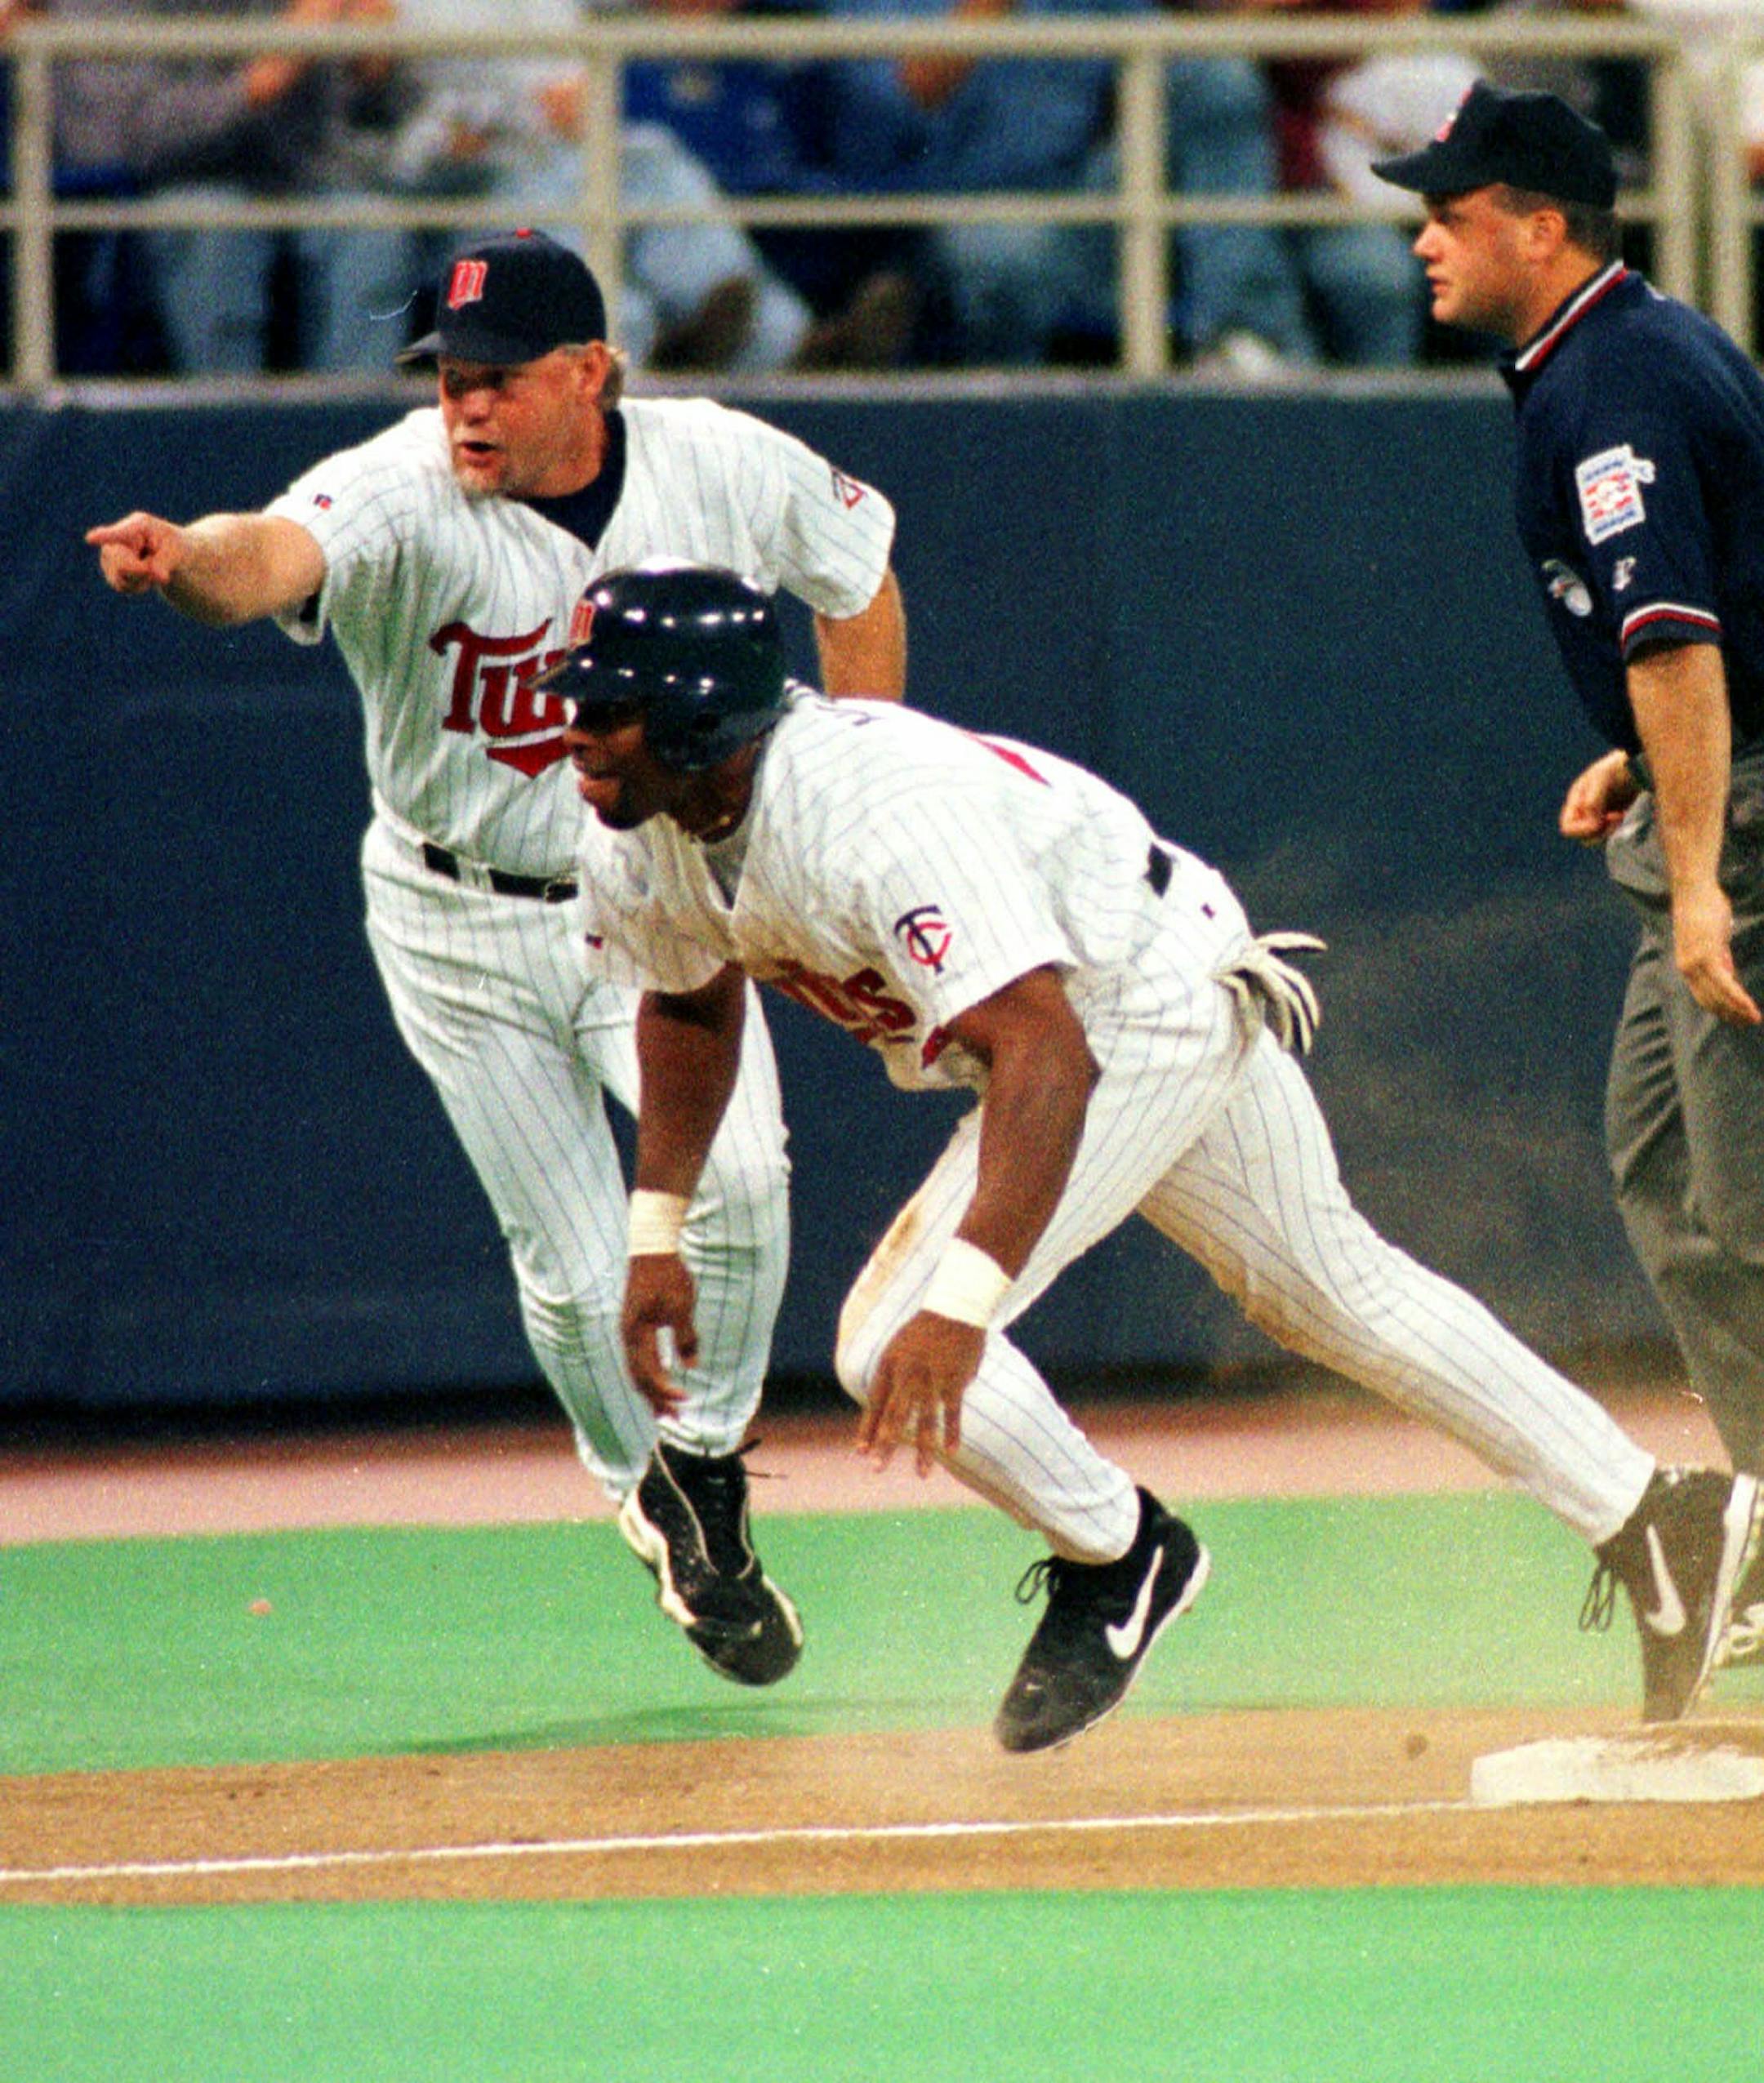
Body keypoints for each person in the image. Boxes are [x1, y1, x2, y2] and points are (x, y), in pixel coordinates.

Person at [541, 559, 1762, 1752]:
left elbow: (1046, 1056)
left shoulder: (869, 810)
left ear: (703, 714)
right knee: (1335, 1286)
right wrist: (659, 1227)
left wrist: (964, 1302)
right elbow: (689, 999)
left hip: (1132, 997)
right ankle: (1662, 1519)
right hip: (1103, 986)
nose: (578, 730)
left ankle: (1120, 1550)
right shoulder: (640, 827)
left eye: (608, 706)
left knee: (890, 1333)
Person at [86, 229, 906, 1687]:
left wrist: (854, 775)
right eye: (452, 377)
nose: (467, 406)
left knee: (747, 1188)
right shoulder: (403, 486)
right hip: (458, 916)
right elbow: (269, 552)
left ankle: (702, 1469)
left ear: (592, 370)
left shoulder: (716, 459)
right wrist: (182, 564)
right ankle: (635, 1483)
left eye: (502, 380)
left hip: (654, 893)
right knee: (581, 1265)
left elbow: (856, 571)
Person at [1374, 81, 1764, 1654]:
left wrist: (1695, 871)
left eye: (1452, 213)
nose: (1424, 238)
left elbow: (1676, 633)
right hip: (1720, 780)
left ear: (1543, 224)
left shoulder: (1613, 382)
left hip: (1749, 822)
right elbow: (1712, 606)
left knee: (1746, 1197)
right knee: (1672, 1182)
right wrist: (1635, 741)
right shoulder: (1608, 352)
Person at [52, 0, 416, 375]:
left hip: (304, 176)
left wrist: (374, 71)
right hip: (177, 180)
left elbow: (377, 122)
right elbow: (114, 138)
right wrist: (256, 84)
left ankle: (359, 422)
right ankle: (230, 424)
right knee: (212, 229)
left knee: (372, 231)